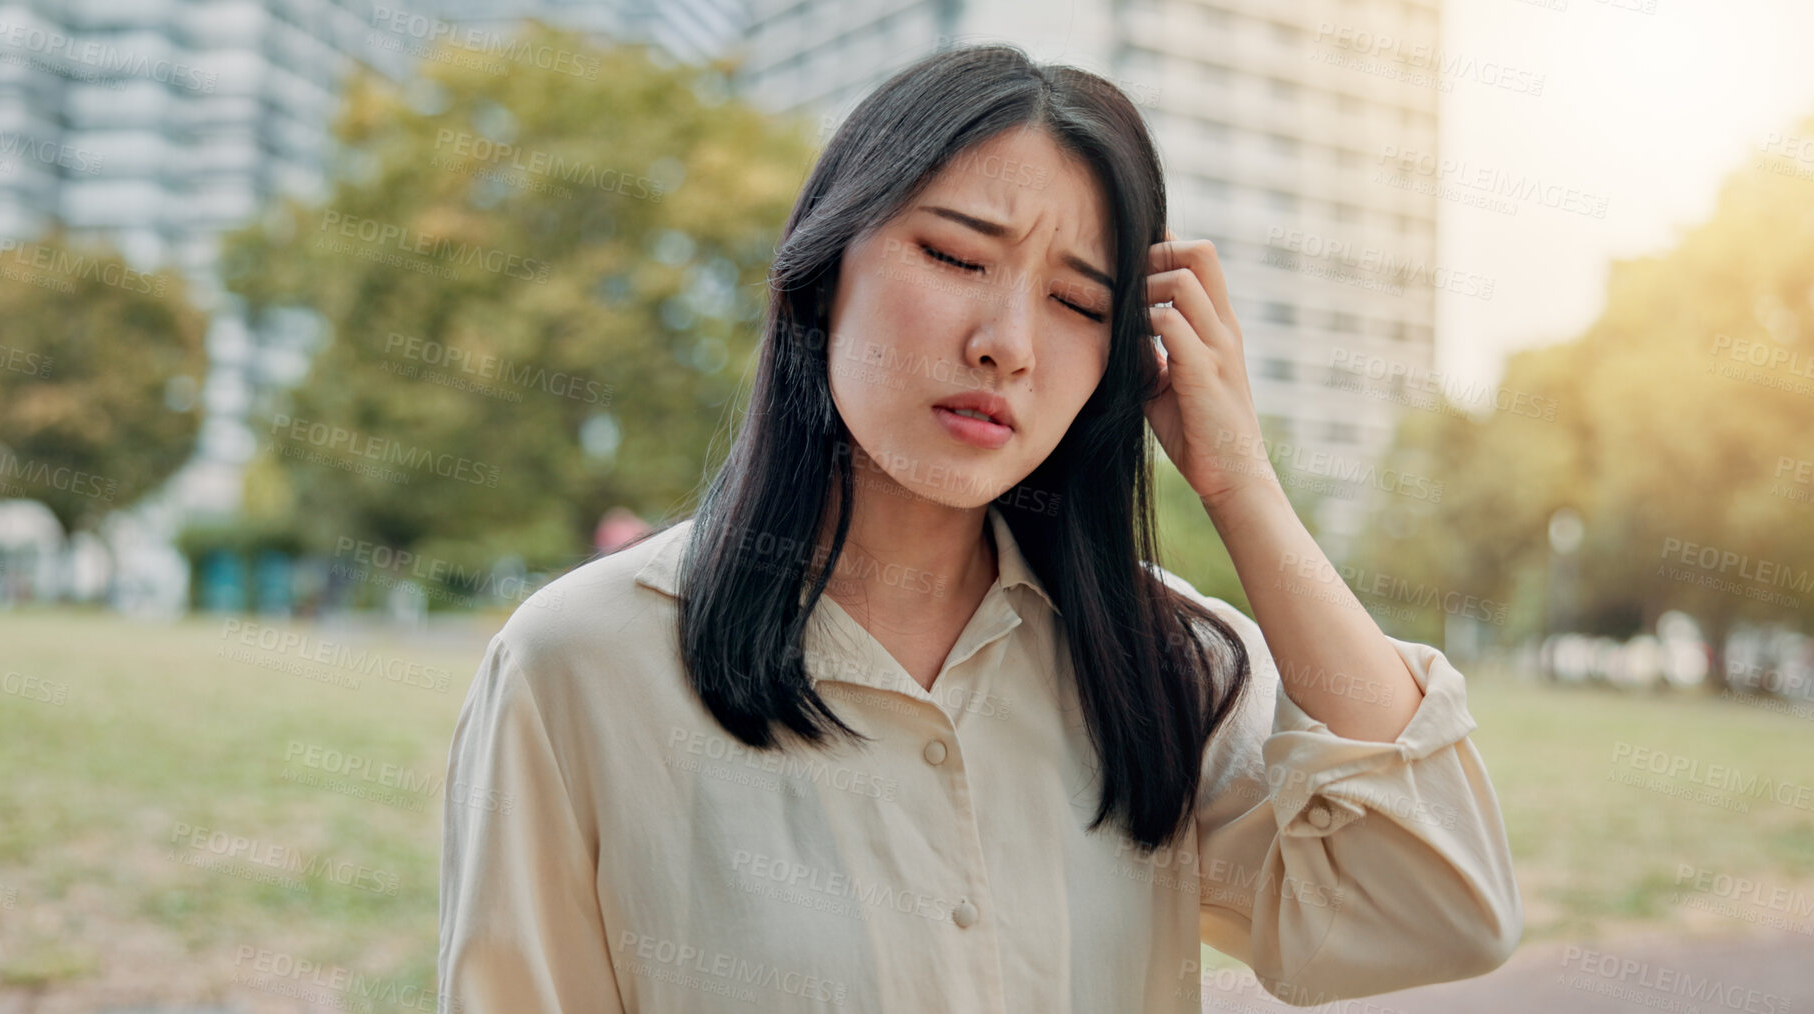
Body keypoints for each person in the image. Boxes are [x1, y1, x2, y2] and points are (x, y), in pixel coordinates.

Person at [436, 42, 1521, 1013]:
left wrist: (1240, 484)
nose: (1008, 342)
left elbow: (1434, 907)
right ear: (824, 276)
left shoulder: (1155, 664)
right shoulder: (577, 666)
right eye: (958, 258)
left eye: (1078, 304)